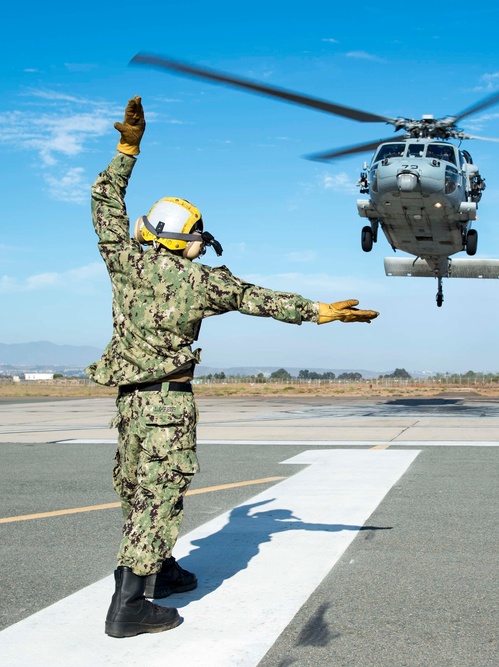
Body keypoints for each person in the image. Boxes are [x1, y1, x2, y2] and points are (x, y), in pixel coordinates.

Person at [89, 96, 378, 638]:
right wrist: (318, 312)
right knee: (161, 490)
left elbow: (104, 200)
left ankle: (162, 569)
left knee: (138, 485)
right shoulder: (201, 282)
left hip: (129, 402)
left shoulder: (122, 259)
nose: (202, 240)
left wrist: (128, 149)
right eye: (196, 233)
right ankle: (128, 607)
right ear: (179, 238)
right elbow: (257, 297)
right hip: (166, 404)